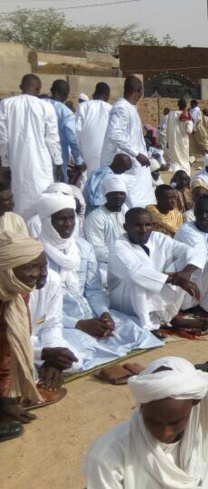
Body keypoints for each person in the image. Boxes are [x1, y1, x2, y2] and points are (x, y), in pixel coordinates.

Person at [33, 193, 162, 372]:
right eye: (61, 219)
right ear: (47, 221)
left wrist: (104, 313)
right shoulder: (36, 255)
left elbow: (93, 289)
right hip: (58, 322)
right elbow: (38, 310)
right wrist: (79, 324)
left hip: (91, 312)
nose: (68, 224)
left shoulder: (82, 247)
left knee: (135, 332)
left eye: (71, 218)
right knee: (75, 355)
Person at [83, 356, 208, 488]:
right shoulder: (107, 453)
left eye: (174, 422)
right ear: (141, 407)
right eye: (153, 421)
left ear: (195, 402)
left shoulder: (202, 433)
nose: (164, 433)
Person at [107, 208, 206, 335]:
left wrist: (186, 273)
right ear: (126, 227)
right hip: (126, 301)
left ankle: (171, 317)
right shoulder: (118, 247)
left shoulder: (159, 238)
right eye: (137, 225)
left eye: (147, 225)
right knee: (140, 281)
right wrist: (176, 280)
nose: (143, 230)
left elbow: (193, 252)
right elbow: (136, 273)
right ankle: (147, 326)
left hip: (154, 289)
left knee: (185, 263)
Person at [0, 232, 48, 439]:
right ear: (7, 268)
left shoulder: (18, 293)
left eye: (41, 266)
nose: (37, 274)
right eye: (30, 266)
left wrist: (6, 398)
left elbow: (8, 351)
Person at [0, 74, 62, 215]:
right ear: (39, 89)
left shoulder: (6, 104)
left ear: (21, 87)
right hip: (42, 163)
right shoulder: (47, 106)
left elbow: (3, 138)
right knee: (43, 199)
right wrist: (58, 163)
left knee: (20, 199)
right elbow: (52, 139)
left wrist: (5, 163)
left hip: (18, 162)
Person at [99, 76, 155, 209]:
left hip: (136, 166)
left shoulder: (129, 108)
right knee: (130, 202)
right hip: (127, 165)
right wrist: (137, 154)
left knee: (142, 200)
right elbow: (115, 134)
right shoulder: (122, 108)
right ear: (139, 90)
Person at [84, 175, 127, 284]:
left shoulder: (127, 212)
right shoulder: (96, 217)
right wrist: (123, 257)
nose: (118, 197)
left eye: (121, 193)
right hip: (105, 265)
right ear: (106, 195)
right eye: (114, 193)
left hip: (129, 261)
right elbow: (96, 249)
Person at [75, 82, 112, 174]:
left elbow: (76, 131)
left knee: (88, 181)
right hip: (106, 154)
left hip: (86, 153)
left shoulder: (83, 107)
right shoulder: (112, 109)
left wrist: (78, 156)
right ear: (107, 95)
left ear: (94, 94)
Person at [164, 98, 194, 175]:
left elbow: (167, 129)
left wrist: (167, 140)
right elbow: (189, 130)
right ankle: (185, 174)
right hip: (183, 142)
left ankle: (176, 173)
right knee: (183, 159)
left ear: (178, 105)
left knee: (175, 160)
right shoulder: (187, 115)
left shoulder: (171, 114)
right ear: (186, 105)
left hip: (172, 141)